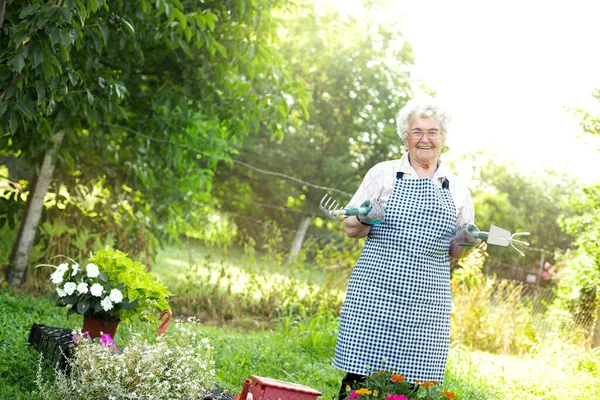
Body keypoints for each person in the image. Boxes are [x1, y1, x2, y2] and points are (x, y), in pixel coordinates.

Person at [332, 97, 480, 399]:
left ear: (443, 138)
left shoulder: (458, 189)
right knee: (359, 381)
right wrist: (364, 217)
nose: (424, 139)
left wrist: (466, 241)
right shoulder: (382, 174)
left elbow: (456, 251)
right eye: (417, 131)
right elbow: (350, 228)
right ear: (405, 136)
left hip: (426, 302)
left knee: (409, 387)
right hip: (376, 293)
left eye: (432, 132)